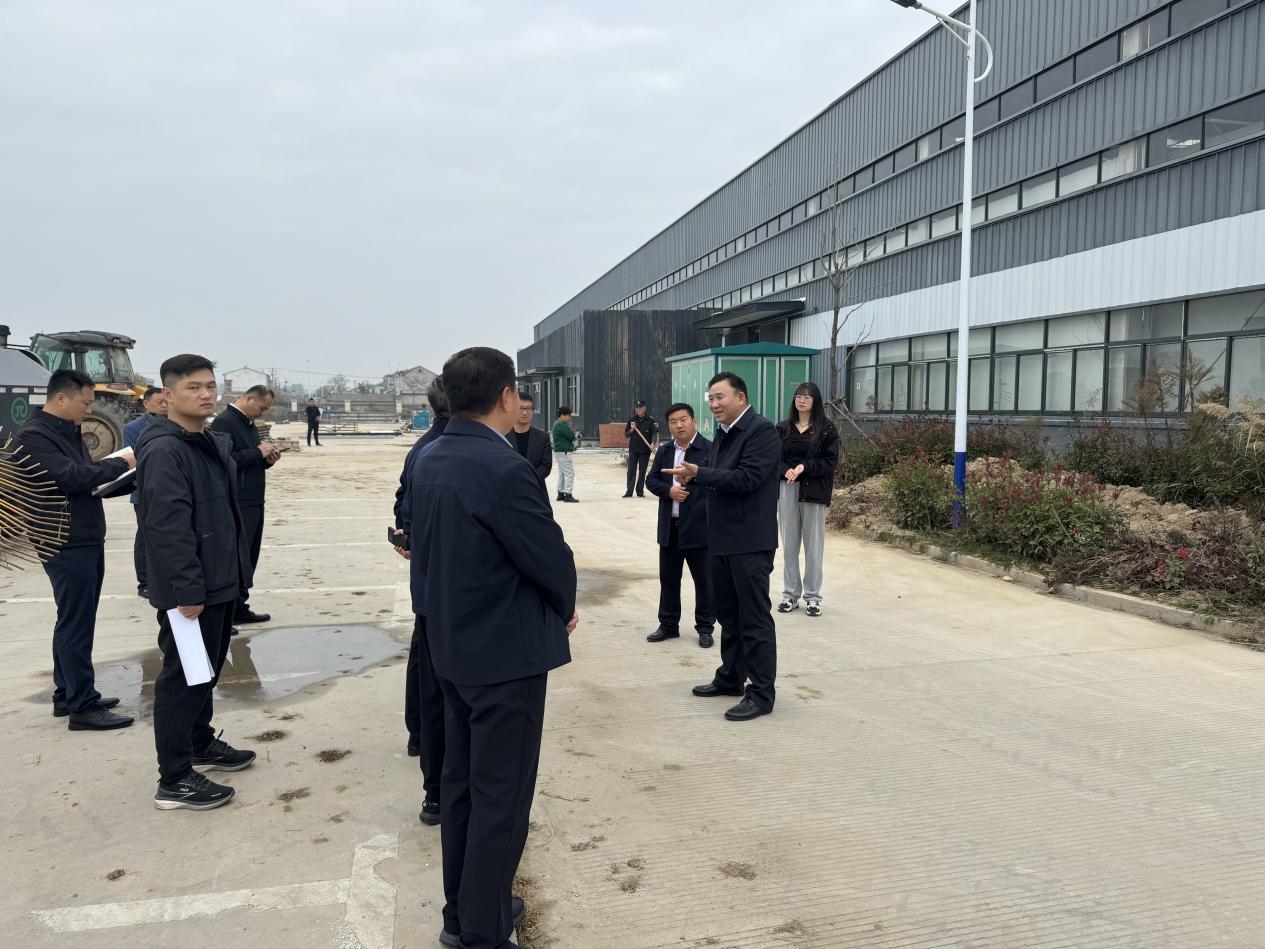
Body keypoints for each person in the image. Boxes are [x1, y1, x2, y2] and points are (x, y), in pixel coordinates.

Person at [411, 346, 578, 949]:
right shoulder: (503, 467)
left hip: (452, 646)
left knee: (461, 786)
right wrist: (564, 605)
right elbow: (549, 557)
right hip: (505, 654)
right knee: (501, 799)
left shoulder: (430, 456)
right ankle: (483, 930)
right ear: (506, 396)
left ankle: (464, 911)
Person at [138, 354, 256, 811]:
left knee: (204, 672)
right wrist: (187, 591)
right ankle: (174, 779)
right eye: (193, 387)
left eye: (209, 385)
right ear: (167, 395)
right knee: (182, 679)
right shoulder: (165, 449)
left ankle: (199, 742)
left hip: (219, 581)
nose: (206, 394)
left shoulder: (205, 440)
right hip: (192, 590)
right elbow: (167, 528)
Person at [19, 369, 137, 730]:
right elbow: (71, 477)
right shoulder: (33, 436)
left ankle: (67, 694)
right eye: (85, 403)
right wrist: (123, 461)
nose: (89, 410)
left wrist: (132, 476)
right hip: (63, 540)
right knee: (77, 624)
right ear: (61, 398)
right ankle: (83, 707)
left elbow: (88, 480)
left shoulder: (68, 431)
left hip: (85, 534)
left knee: (72, 619)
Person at [663, 371, 780, 722]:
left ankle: (761, 693)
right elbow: (714, 474)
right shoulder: (724, 433)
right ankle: (731, 677)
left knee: (754, 619)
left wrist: (700, 474)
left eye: (720, 397)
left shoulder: (761, 431)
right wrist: (693, 475)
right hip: (721, 540)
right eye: (710, 398)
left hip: (749, 542)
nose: (713, 404)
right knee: (729, 616)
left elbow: (746, 478)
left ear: (740, 398)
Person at [393, 377, 449, 824]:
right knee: (443, 692)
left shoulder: (423, 449)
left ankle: (428, 762)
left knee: (428, 679)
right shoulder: (443, 452)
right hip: (452, 594)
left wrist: (408, 533)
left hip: (431, 590)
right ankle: (438, 789)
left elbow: (403, 505)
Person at [644, 403, 715, 648]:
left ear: (694, 421)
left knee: (704, 581)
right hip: (670, 526)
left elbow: (716, 481)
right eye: (673, 422)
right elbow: (651, 480)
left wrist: (693, 482)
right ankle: (668, 625)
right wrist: (669, 491)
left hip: (698, 526)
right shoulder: (665, 451)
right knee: (669, 580)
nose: (678, 425)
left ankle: (705, 627)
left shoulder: (709, 448)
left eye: (683, 420)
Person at [210, 385, 281, 625]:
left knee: (249, 557)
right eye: (262, 407)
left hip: (254, 499)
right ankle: (228, 613)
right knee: (236, 559)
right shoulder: (225, 422)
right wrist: (258, 453)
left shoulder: (248, 423)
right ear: (249, 398)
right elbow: (225, 461)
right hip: (238, 501)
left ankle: (239, 607)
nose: (263, 413)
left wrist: (267, 459)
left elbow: (250, 457)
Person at [775, 382, 839, 618]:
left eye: (806, 397)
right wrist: (785, 470)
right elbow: (772, 458)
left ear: (815, 401)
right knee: (790, 545)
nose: (801, 400)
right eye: (798, 397)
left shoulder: (826, 430)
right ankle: (790, 595)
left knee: (813, 547)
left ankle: (812, 597)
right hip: (787, 489)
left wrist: (804, 466)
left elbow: (830, 462)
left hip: (814, 491)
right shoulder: (782, 428)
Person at [123, 385, 168, 598]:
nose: (164, 406)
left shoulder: (175, 423)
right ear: (146, 404)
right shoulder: (133, 428)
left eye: (167, 402)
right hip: (144, 492)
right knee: (146, 536)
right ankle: (145, 582)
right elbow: (134, 459)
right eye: (159, 402)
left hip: (170, 491)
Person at [511, 390, 553, 487]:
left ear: (532, 411)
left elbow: (546, 465)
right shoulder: (503, 436)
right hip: (509, 487)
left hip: (535, 487)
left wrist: (529, 479)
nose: (524, 412)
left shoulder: (542, 437)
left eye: (528, 408)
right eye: (521, 408)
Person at [622, 400, 659, 498]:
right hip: (633, 449)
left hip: (645, 450)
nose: (638, 409)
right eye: (637, 407)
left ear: (644, 408)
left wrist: (653, 443)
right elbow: (626, 434)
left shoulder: (651, 420)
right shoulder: (631, 419)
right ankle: (629, 491)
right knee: (631, 470)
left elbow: (654, 433)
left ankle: (639, 491)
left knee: (642, 471)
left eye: (640, 407)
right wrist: (632, 429)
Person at [551, 406, 578, 503]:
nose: (570, 418)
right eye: (568, 415)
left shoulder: (557, 424)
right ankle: (568, 494)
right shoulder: (561, 425)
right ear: (562, 415)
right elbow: (571, 436)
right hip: (564, 452)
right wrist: (573, 433)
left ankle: (560, 493)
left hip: (559, 451)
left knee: (562, 473)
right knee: (569, 473)